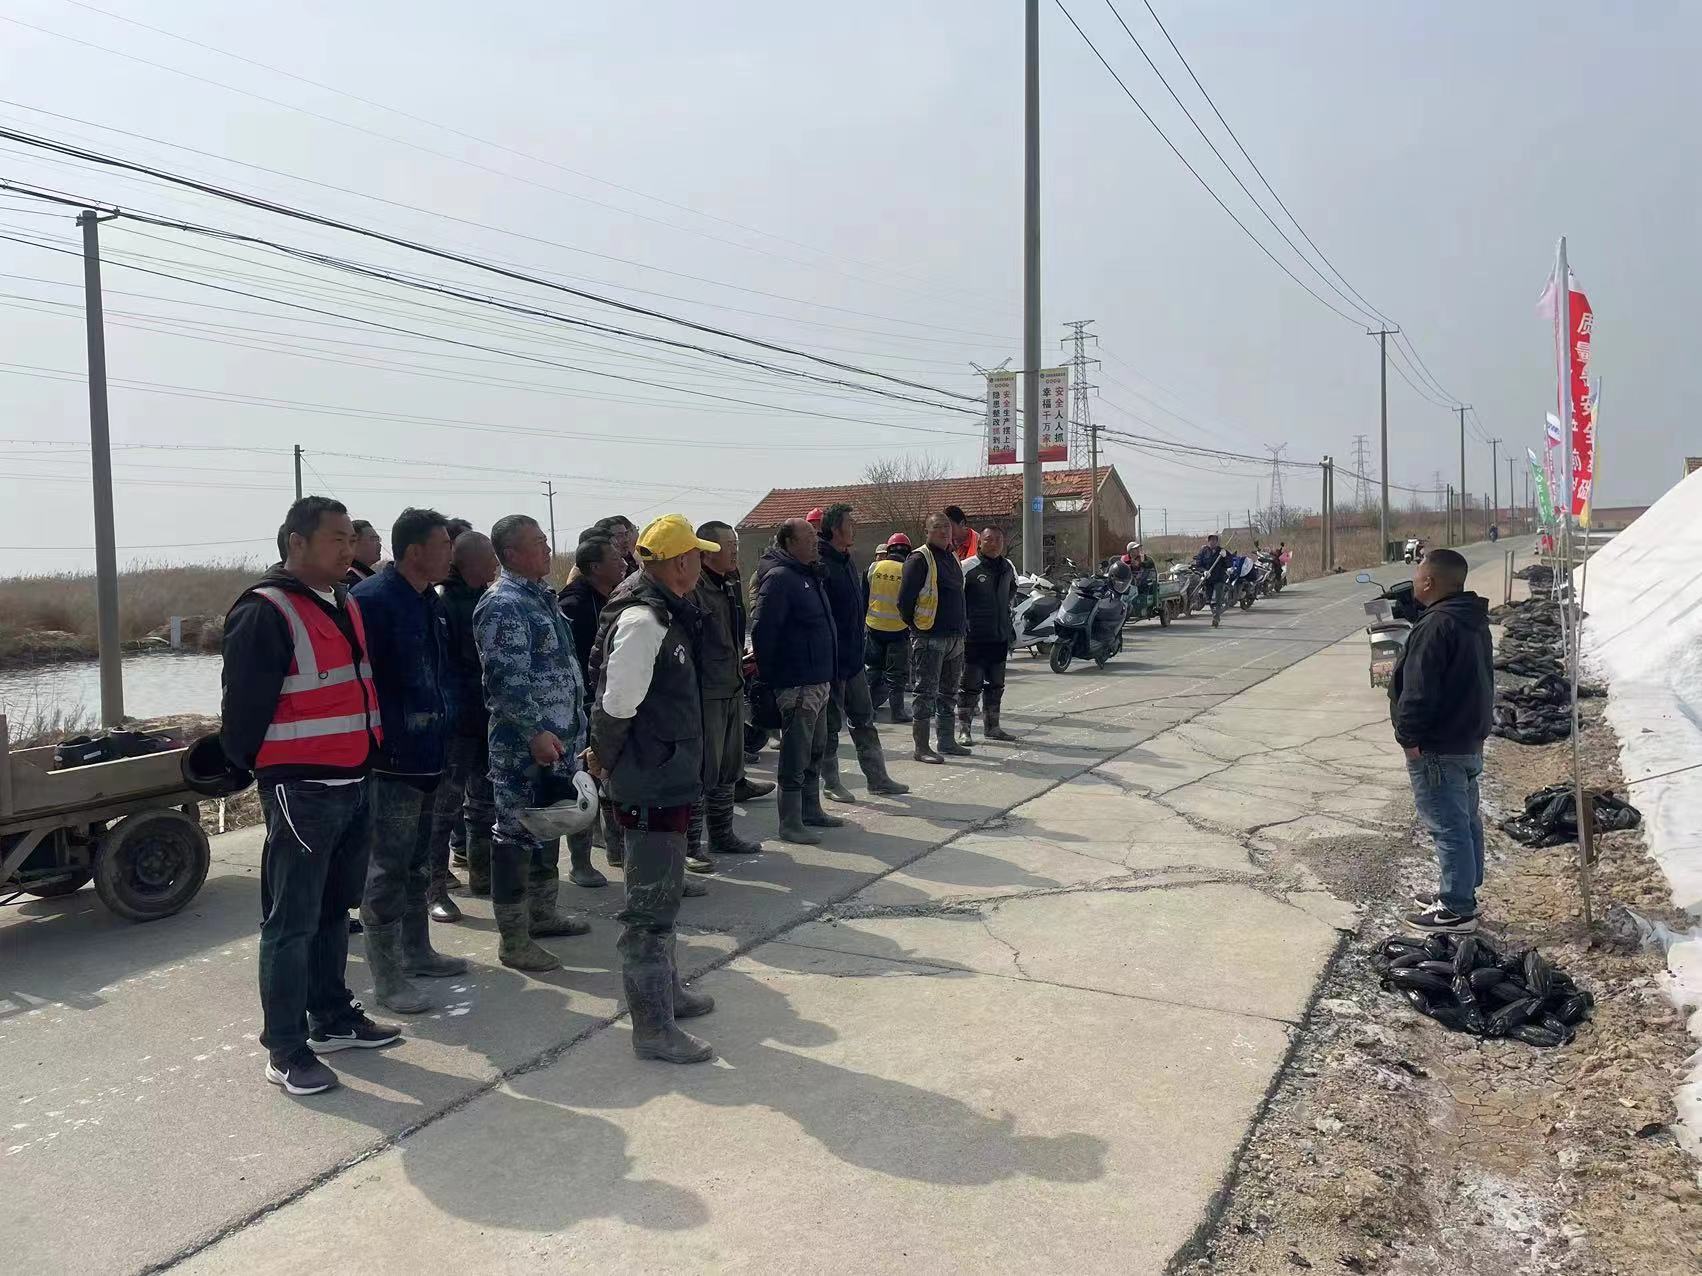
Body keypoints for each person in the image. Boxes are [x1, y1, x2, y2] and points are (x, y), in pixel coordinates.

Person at [222, 496, 396, 1097]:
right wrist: (251, 770)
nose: (349, 549)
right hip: (302, 788)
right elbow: (243, 709)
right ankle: (286, 1049)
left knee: (333, 911)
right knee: (291, 921)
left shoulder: (343, 601)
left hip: (353, 777)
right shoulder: (265, 610)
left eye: (351, 538)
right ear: (296, 542)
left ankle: (332, 1017)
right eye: (336, 539)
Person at [584, 514, 721, 1064]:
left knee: (663, 899)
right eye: (697, 555)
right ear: (680, 562)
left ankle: (668, 995)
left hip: (666, 772)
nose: (702, 563)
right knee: (649, 913)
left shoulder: (667, 609)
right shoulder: (644, 619)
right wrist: (606, 763)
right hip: (651, 780)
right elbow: (617, 705)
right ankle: (652, 1028)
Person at [351, 509, 466, 1014]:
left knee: (419, 862)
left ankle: (418, 952)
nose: (451, 554)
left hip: (430, 754)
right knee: (388, 867)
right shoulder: (372, 601)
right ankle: (387, 977)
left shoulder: (429, 601)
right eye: (444, 545)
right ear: (415, 551)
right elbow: (361, 681)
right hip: (391, 761)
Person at [474, 515, 597, 972]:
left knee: (549, 826)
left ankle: (543, 914)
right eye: (538, 542)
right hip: (524, 748)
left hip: (560, 742)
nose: (547, 549)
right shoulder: (504, 604)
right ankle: (514, 939)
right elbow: (506, 681)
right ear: (511, 553)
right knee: (515, 836)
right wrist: (534, 732)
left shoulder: (540, 597)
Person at [1388, 548, 1494, 934]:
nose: (1414, 581)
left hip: (1437, 745)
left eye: (1418, 576)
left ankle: (1456, 908)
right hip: (1466, 739)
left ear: (1430, 581)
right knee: (1465, 821)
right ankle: (1463, 890)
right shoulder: (1469, 619)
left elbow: (1419, 691)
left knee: (1448, 826)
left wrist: (1408, 738)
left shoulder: (1436, 626)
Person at [750, 517, 841, 844]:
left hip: (819, 679)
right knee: (795, 754)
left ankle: (810, 809)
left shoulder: (809, 574)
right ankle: (790, 822)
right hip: (797, 682)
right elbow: (763, 632)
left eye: (815, 538)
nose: (816, 543)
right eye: (808, 539)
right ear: (789, 543)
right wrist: (776, 677)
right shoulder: (780, 579)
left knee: (816, 749)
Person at [425, 530, 500, 923]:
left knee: (484, 804)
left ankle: (483, 876)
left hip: (487, 717)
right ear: (469, 562)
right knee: (444, 810)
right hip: (456, 722)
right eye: (490, 557)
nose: (496, 563)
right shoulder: (442, 600)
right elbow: (441, 666)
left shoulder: (490, 597)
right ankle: (434, 888)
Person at [815, 504, 910, 802]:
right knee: (831, 726)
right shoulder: (821, 564)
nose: (854, 528)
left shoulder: (846, 560)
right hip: (831, 662)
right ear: (834, 529)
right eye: (849, 523)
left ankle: (878, 779)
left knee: (864, 719)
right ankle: (831, 783)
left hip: (854, 658)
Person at [687, 520, 768, 867]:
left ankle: (723, 835)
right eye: (729, 546)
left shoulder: (729, 582)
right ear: (707, 552)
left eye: (735, 544)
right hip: (706, 693)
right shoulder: (694, 588)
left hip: (731, 686)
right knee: (702, 772)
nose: (735, 551)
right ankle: (691, 845)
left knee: (728, 768)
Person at [557, 534, 631, 878]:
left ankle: (618, 851)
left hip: (612, 700)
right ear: (595, 568)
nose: (623, 563)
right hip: (585, 706)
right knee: (586, 782)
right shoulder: (573, 605)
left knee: (614, 779)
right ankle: (581, 863)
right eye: (615, 559)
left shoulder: (616, 597)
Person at [900, 512, 969, 763]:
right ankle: (921, 747)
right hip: (930, 637)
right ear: (927, 531)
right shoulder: (919, 559)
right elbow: (904, 601)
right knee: (925, 693)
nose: (944, 531)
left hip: (954, 637)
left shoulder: (952, 556)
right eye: (938, 527)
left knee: (949, 693)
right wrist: (917, 628)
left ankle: (946, 741)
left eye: (947, 527)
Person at [958, 526, 1018, 745]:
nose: (994, 544)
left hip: (999, 637)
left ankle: (993, 727)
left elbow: (1012, 590)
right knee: (969, 686)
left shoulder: (1008, 566)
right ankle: (964, 730)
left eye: (998, 540)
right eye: (988, 540)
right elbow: (957, 598)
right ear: (980, 542)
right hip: (974, 639)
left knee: (996, 686)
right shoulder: (967, 567)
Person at [864, 533, 913, 723]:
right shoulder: (908, 570)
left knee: (873, 670)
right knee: (896, 674)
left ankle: (868, 710)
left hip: (874, 627)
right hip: (899, 630)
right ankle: (897, 712)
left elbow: (864, 596)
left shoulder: (873, 568)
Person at [1193, 532, 1233, 628]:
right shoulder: (1204, 551)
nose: (1212, 542)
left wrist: (1225, 557)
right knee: (1209, 599)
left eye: (1214, 540)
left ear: (1217, 541)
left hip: (1219, 578)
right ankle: (1215, 614)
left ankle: (1216, 618)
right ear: (1208, 541)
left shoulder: (1222, 551)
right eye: (1211, 540)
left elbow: (1229, 564)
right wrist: (1204, 571)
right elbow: (1198, 564)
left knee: (1217, 599)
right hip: (1208, 579)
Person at [345, 519, 382, 587]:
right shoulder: (349, 579)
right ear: (354, 543)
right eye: (374, 539)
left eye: (378, 540)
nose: (379, 544)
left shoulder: (364, 576)